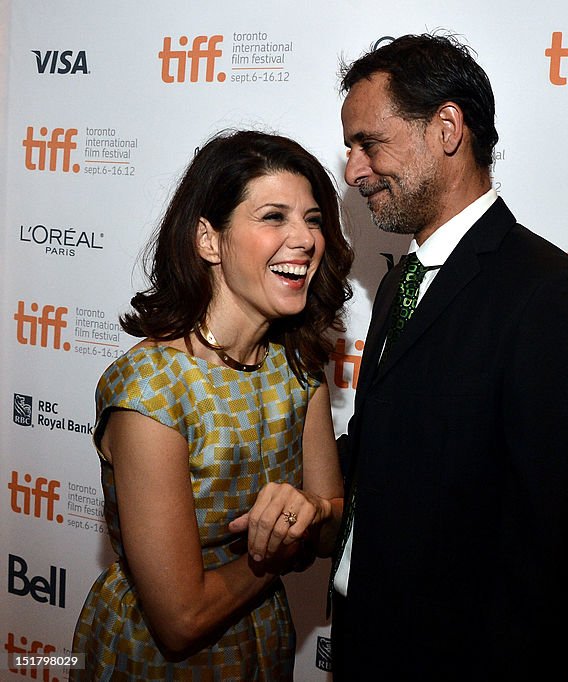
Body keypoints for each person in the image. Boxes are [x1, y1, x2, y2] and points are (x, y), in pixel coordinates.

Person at [330, 34, 568, 679]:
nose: (352, 171)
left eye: (369, 143)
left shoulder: (546, 296)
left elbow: (557, 551)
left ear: (447, 128)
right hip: (365, 642)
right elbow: (391, 451)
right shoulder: (406, 279)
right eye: (350, 147)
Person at [71, 130, 353, 679]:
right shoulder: (151, 390)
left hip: (263, 643)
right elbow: (180, 617)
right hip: (155, 660)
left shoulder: (297, 368)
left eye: (314, 219)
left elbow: (331, 520)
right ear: (208, 240)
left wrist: (313, 514)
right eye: (273, 216)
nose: (304, 239)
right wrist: (275, 557)